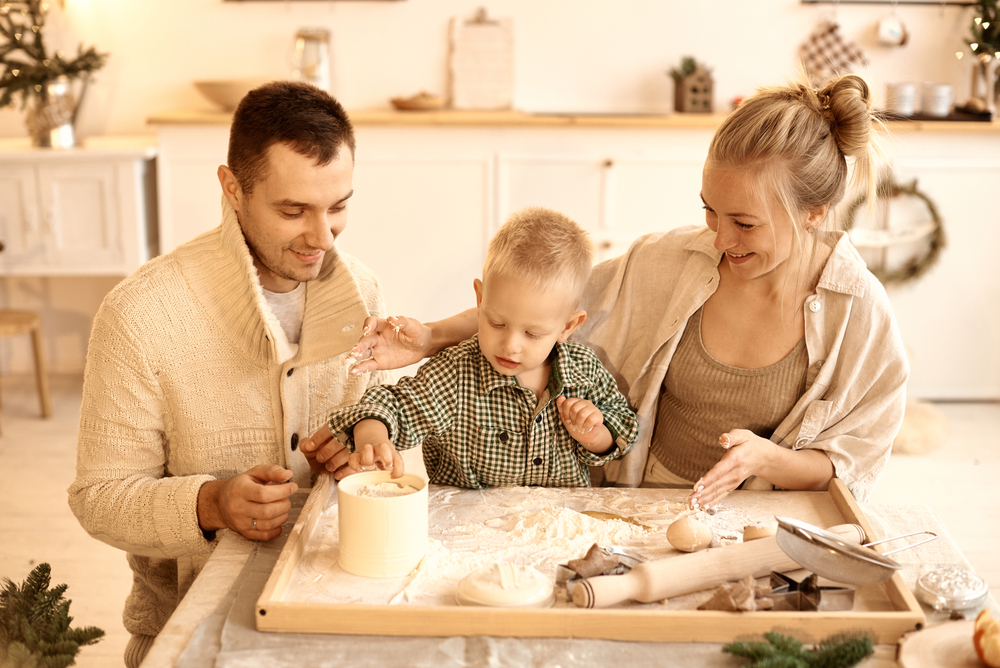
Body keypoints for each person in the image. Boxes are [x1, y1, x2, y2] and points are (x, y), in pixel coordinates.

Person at [323, 73, 908, 508]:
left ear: (815, 212)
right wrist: (430, 339)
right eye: (710, 210)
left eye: (746, 223)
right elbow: (547, 313)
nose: (720, 236)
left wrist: (769, 459)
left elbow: (852, 462)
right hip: (633, 504)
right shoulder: (670, 262)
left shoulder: (856, 314)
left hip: (760, 518)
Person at [67, 81, 392, 668]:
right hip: (188, 636)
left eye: (338, 206)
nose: (323, 239)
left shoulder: (361, 290)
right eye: (294, 210)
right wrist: (212, 505)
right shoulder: (140, 313)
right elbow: (99, 498)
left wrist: (355, 448)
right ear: (232, 188)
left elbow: (374, 411)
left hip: (335, 611)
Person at [313, 207, 638, 488]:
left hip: (561, 532)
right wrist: (373, 438)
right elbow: (393, 406)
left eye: (533, 334)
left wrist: (595, 434)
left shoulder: (584, 371)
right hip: (467, 533)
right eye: (497, 323)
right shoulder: (455, 374)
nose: (510, 345)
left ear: (568, 327)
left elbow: (623, 428)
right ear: (480, 299)